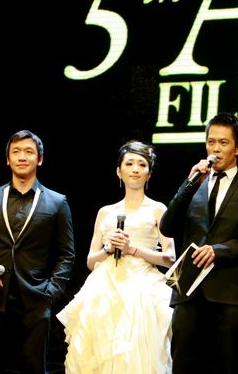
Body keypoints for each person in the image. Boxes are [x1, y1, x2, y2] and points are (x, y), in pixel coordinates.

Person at [159, 112, 238, 374]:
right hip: (187, 290)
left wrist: (220, 251)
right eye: (211, 142)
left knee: (225, 364)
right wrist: (187, 184)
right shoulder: (194, 185)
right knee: (183, 364)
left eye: (223, 143)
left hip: (228, 292)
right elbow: (166, 227)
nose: (215, 149)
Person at [56, 140, 176, 373]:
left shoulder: (158, 209)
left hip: (142, 290)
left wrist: (133, 249)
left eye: (142, 164)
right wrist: (108, 248)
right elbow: (91, 261)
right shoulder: (106, 212)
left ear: (149, 174)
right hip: (104, 289)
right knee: (98, 349)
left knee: (136, 353)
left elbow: (170, 257)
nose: (135, 169)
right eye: (129, 163)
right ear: (119, 171)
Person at [0, 129, 75, 374]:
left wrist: (50, 292)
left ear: (40, 159)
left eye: (29, 152)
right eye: (16, 152)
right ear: (8, 159)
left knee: (32, 368)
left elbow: (67, 254)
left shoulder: (57, 202)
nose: (22, 157)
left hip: (35, 300)